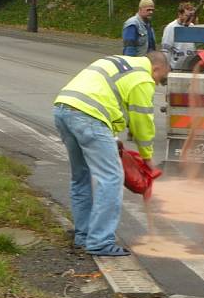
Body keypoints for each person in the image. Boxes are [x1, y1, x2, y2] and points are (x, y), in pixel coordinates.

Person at [53, 51, 169, 256]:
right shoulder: (142, 78)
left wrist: (113, 137)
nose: (157, 83)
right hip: (89, 117)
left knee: (81, 177)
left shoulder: (119, 62)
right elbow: (142, 121)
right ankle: (100, 242)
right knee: (112, 178)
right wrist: (147, 157)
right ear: (157, 68)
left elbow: (107, 98)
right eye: (160, 78)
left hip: (64, 109)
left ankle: (84, 235)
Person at [161, 2, 197, 70]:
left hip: (189, 67)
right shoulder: (171, 28)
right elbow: (166, 50)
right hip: (175, 68)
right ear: (180, 14)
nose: (190, 19)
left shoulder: (192, 26)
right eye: (187, 16)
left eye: (191, 16)